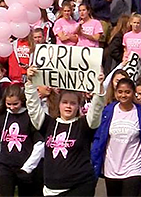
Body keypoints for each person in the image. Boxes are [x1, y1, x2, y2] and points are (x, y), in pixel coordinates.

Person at [25, 65, 105, 196]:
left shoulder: (84, 125)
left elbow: (96, 110)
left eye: (73, 103)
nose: (68, 106)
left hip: (79, 187)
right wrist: (30, 83)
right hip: (50, 188)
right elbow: (33, 108)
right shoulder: (49, 124)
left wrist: (100, 88)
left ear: (79, 106)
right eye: (65, 102)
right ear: (59, 104)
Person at [91, 77, 141, 197]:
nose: (124, 95)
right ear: (116, 93)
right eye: (120, 92)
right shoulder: (108, 112)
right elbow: (98, 139)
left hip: (134, 167)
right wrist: (93, 159)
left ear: (133, 93)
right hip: (111, 168)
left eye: (127, 92)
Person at [0, 84, 45, 197]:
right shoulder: (1, 119)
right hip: (5, 166)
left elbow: (39, 144)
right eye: (9, 104)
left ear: (22, 101)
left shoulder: (30, 118)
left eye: (15, 104)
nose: (12, 107)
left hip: (25, 167)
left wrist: (28, 167)